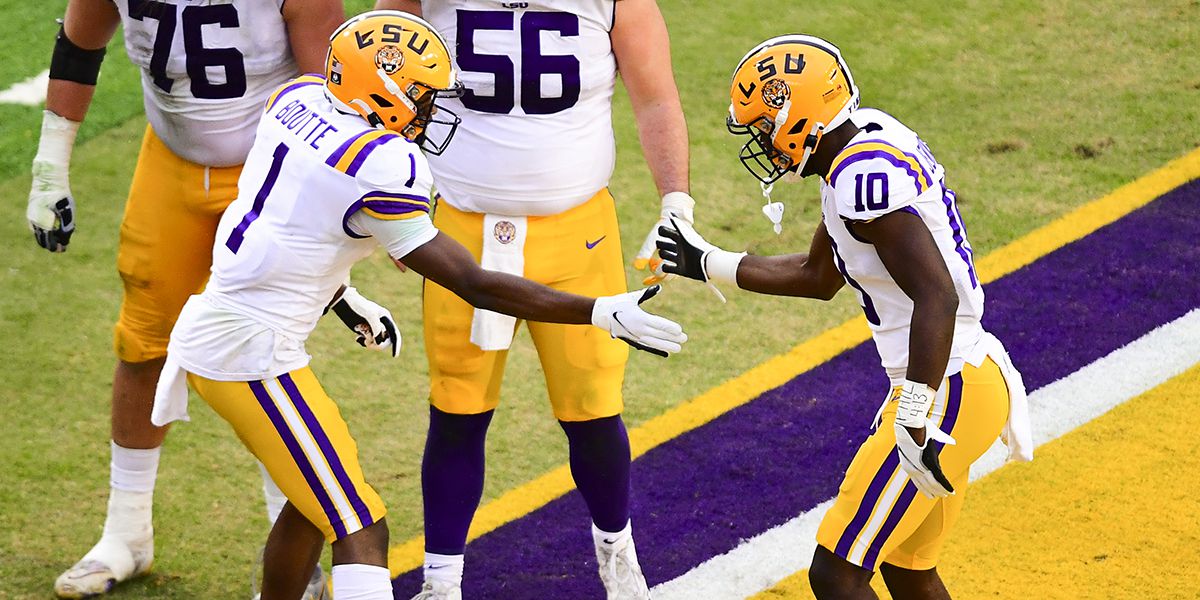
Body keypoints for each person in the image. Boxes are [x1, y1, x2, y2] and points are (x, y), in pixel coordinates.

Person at [150, 10, 686, 600]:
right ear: (384, 92)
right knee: (360, 524)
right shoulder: (384, 163)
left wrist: (345, 299)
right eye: (422, 94)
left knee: (314, 504)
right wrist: (598, 310)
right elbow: (475, 284)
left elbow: (288, 221)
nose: (433, 108)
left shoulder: (296, 99)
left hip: (222, 319)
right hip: (252, 351)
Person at [657, 35, 1031, 600]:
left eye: (764, 125)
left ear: (797, 116)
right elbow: (818, 275)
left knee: (836, 574)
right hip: (958, 378)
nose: (763, 141)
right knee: (908, 571)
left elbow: (938, 297)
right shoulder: (859, 147)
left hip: (945, 386)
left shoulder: (859, 180)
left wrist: (913, 412)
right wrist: (707, 262)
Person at [22, 0, 347, 597]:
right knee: (143, 340)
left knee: (266, 355)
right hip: (171, 164)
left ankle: (297, 560)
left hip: (267, 171)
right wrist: (50, 166)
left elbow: (327, 95)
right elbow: (79, 41)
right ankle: (126, 534)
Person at [370, 1, 691, 598]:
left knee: (593, 408)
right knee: (457, 408)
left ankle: (617, 554)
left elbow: (656, 96)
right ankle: (442, 582)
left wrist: (677, 203)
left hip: (578, 232)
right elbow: (377, 79)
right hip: (462, 229)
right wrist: (395, 195)